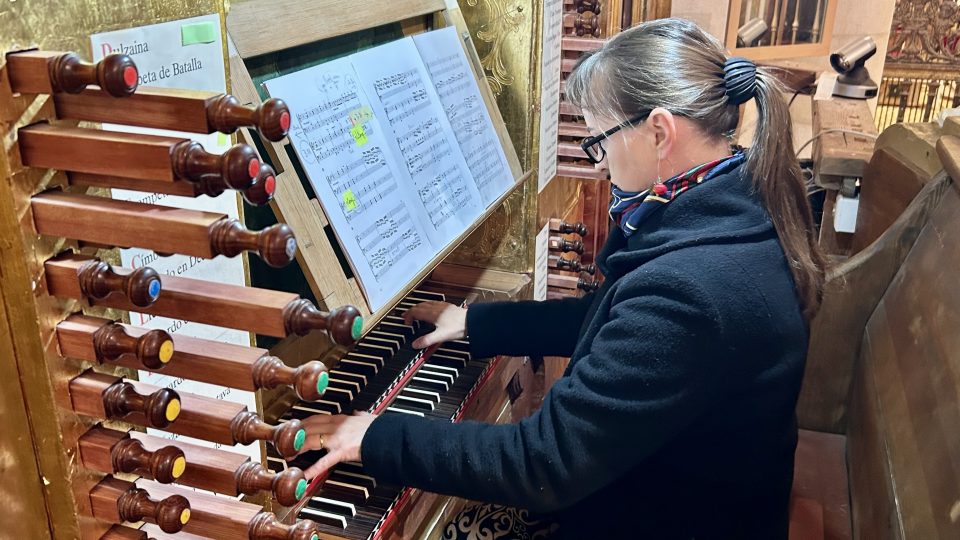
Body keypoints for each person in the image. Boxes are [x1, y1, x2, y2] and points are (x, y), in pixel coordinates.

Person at [299, 17, 826, 539]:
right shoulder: (734, 200)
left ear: (659, 132)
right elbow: (614, 320)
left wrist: (375, 437)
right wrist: (476, 322)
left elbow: (544, 464)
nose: (598, 164)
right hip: (682, 492)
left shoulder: (692, 289)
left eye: (599, 141)